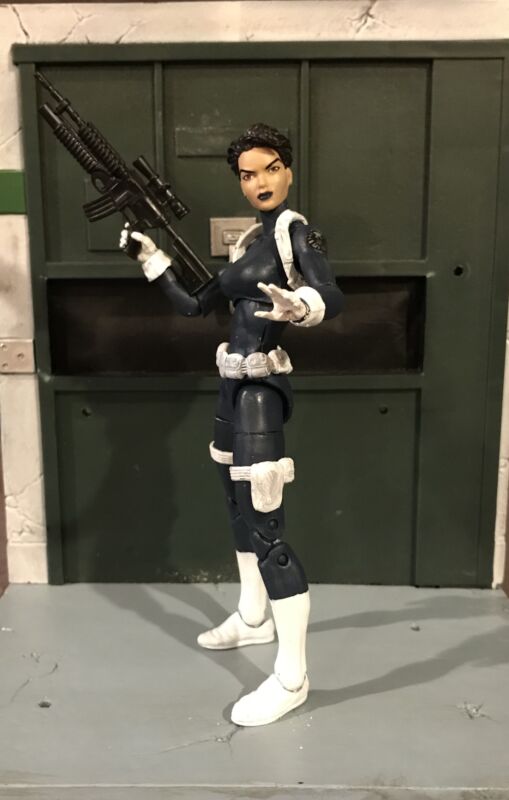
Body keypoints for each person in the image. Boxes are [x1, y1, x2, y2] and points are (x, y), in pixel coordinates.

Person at [120, 123, 344, 726]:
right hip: (229, 383)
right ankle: (252, 616)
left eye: (270, 168)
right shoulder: (249, 241)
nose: (260, 182)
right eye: (248, 174)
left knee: (266, 526)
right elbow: (198, 304)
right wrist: (153, 261)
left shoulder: (295, 233)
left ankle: (292, 675)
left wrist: (303, 306)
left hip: (260, 392)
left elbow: (331, 293)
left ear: (288, 170)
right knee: (234, 505)